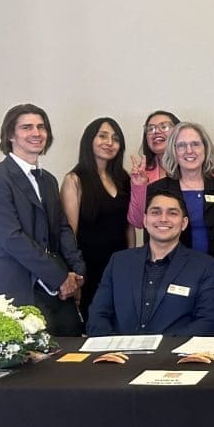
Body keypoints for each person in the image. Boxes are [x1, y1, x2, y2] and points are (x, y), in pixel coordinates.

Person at [0, 104, 85, 336]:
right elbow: (12, 238)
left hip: (58, 291)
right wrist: (59, 277)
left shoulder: (49, 180)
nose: (36, 133)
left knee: (71, 349)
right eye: (27, 127)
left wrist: (77, 271)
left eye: (41, 127)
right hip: (17, 288)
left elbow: (62, 228)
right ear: (10, 135)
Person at [146, 122, 214, 335]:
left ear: (205, 148)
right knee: (178, 341)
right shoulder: (158, 190)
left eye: (195, 144)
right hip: (173, 285)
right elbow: (151, 242)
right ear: (173, 151)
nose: (189, 150)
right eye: (181, 145)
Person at [86, 187, 214, 336]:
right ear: (145, 220)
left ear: (184, 223)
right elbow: (98, 316)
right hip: (119, 349)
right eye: (155, 212)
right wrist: (115, 347)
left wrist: (163, 347)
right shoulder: (119, 262)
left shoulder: (204, 267)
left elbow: (207, 323)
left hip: (174, 351)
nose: (163, 219)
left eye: (172, 213)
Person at [60, 117, 134, 325]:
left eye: (115, 139)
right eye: (102, 136)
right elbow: (69, 232)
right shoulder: (74, 180)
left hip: (119, 266)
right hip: (88, 268)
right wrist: (75, 273)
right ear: (89, 140)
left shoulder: (124, 179)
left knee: (121, 323)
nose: (109, 143)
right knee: (94, 324)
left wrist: (132, 261)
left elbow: (129, 226)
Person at [127, 109, 214, 228]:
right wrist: (139, 187)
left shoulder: (213, 170)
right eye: (151, 129)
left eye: (164, 127)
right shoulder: (142, 174)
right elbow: (138, 222)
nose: (156, 132)